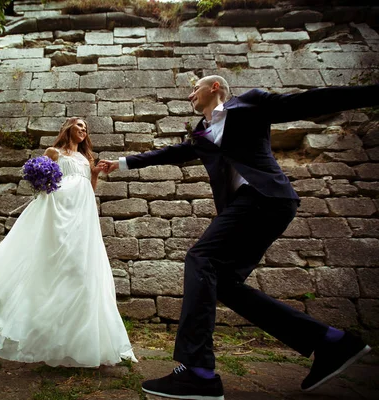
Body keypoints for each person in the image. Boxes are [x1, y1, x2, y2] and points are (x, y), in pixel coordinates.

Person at [97, 76, 378, 399]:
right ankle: (331, 343)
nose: (190, 94)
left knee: (200, 258)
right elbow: (176, 153)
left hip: (264, 197)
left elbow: (309, 101)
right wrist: (121, 163)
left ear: (214, 87)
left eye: (195, 88)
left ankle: (198, 372)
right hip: (257, 207)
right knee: (225, 283)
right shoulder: (202, 133)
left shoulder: (250, 104)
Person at [0, 117, 137, 367]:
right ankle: (41, 332)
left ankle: (77, 341)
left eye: (86, 129)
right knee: (53, 261)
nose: (83, 130)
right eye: (79, 126)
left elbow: (91, 187)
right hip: (58, 208)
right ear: (68, 128)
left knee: (80, 267)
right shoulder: (53, 152)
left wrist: (96, 172)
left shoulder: (87, 158)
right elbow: (41, 182)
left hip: (81, 212)